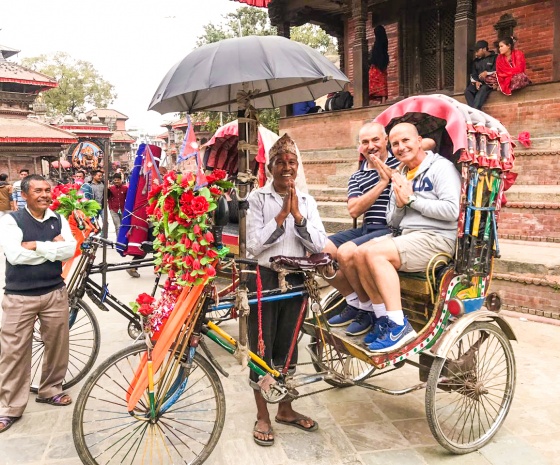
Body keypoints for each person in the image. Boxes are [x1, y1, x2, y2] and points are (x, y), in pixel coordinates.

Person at [246, 133, 326, 447]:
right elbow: (253, 246)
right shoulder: (257, 199)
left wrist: (297, 217)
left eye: (292, 162)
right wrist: (280, 216)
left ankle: (285, 409)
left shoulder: (307, 202)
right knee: (262, 348)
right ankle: (262, 414)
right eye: (281, 162)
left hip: (296, 281)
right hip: (265, 279)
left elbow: (318, 244)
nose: (287, 167)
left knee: (289, 348)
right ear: (270, 167)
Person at [352, 123, 461, 352]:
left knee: (375, 254)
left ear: (419, 140)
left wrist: (412, 201)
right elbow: (392, 219)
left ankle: (399, 325)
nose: (401, 147)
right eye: (395, 144)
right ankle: (383, 319)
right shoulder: (400, 173)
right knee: (359, 253)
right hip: (408, 236)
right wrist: (401, 204)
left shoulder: (441, 167)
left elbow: (453, 211)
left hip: (436, 238)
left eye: (406, 141)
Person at [0, 174, 77, 433]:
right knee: (13, 352)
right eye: (38, 191)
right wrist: (50, 249)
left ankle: (50, 390)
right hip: (19, 296)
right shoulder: (11, 221)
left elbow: (70, 250)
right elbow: (15, 255)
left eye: (48, 190)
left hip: (54, 292)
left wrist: (35, 246)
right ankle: (9, 407)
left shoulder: (58, 219)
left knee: (57, 345)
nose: (45, 195)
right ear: (24, 195)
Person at [324, 122, 399, 336]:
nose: (371, 146)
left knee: (346, 251)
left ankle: (368, 311)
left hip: (390, 229)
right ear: (360, 146)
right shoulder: (357, 176)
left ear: (386, 141)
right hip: (367, 228)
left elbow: (425, 145)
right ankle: (354, 301)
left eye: (376, 140)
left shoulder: (399, 163)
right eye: (365, 142)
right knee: (320, 250)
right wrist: (382, 183)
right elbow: (354, 210)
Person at [464, 40, 497, 110]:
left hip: (489, 82)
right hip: (479, 82)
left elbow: (498, 70)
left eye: (477, 51)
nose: (476, 54)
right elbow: (473, 74)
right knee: (468, 91)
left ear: (484, 49)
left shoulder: (495, 57)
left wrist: (487, 73)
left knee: (483, 90)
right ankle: (475, 111)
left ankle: (474, 111)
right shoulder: (476, 61)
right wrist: (476, 82)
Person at [368, 25, 389, 105]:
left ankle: (372, 103)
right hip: (383, 67)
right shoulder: (385, 43)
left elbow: (372, 58)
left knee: (374, 85)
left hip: (375, 68)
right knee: (383, 83)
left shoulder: (376, 45)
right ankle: (383, 102)